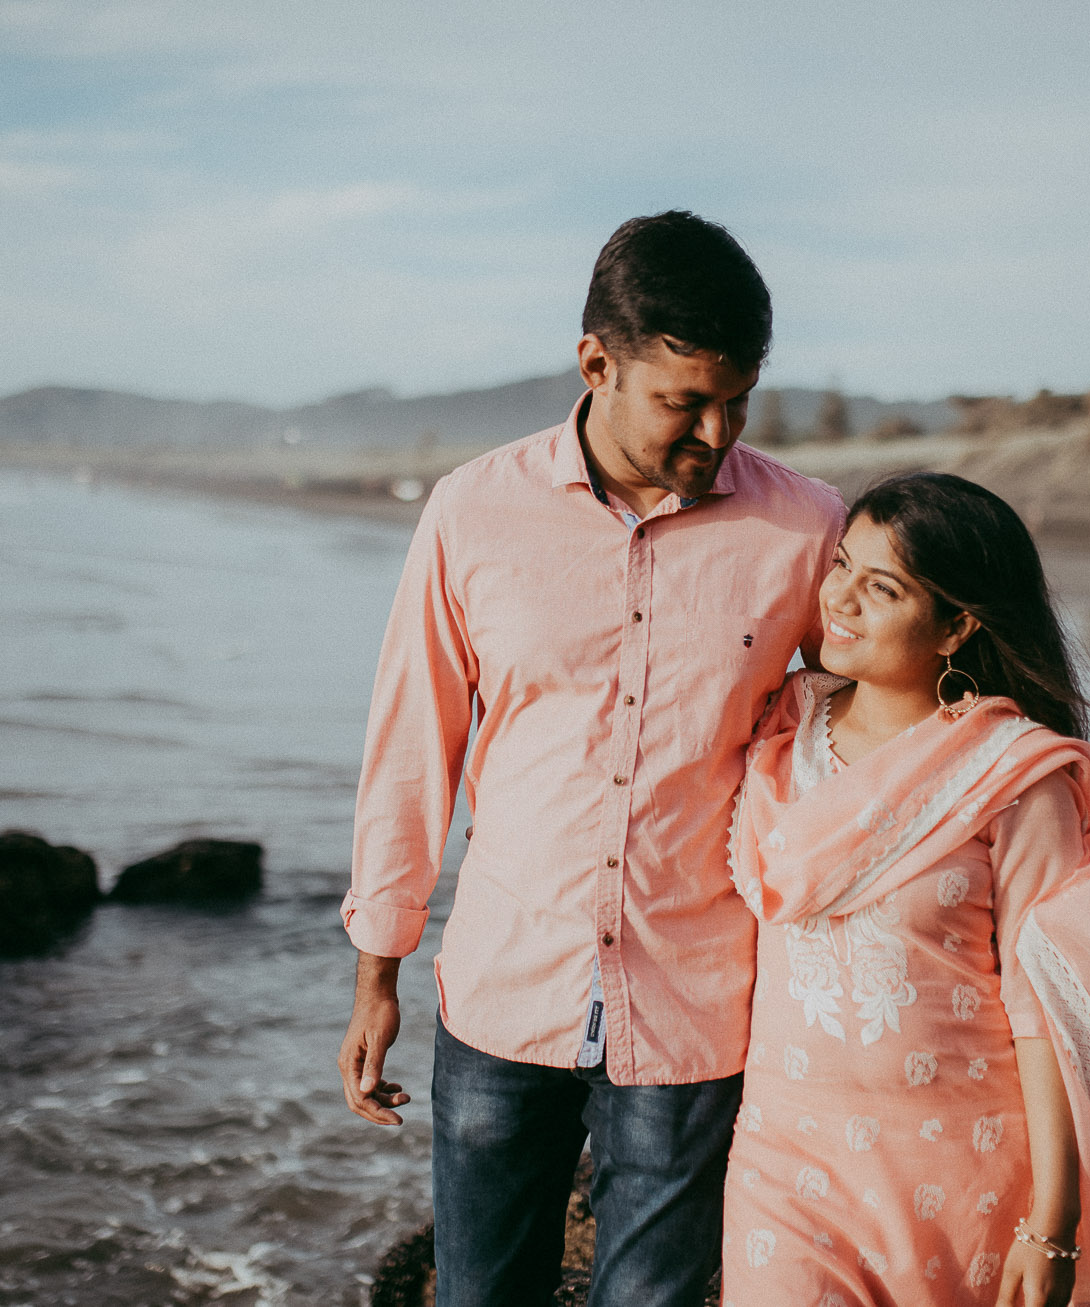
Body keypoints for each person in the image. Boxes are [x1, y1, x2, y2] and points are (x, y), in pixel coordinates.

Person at [337, 211, 845, 1306]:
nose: (715, 431)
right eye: (683, 401)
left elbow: (864, 732)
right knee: (478, 1293)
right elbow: (411, 743)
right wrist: (378, 964)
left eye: (737, 399)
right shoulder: (472, 512)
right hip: (500, 987)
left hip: (697, 998)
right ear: (596, 363)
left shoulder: (805, 528)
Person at [721, 473, 1090, 1306]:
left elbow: (1048, 1008)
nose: (839, 597)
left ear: (957, 624)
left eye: (880, 587)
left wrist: (1052, 1219)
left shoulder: (1013, 777)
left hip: (961, 1173)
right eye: (841, 563)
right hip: (786, 1161)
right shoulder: (779, 733)